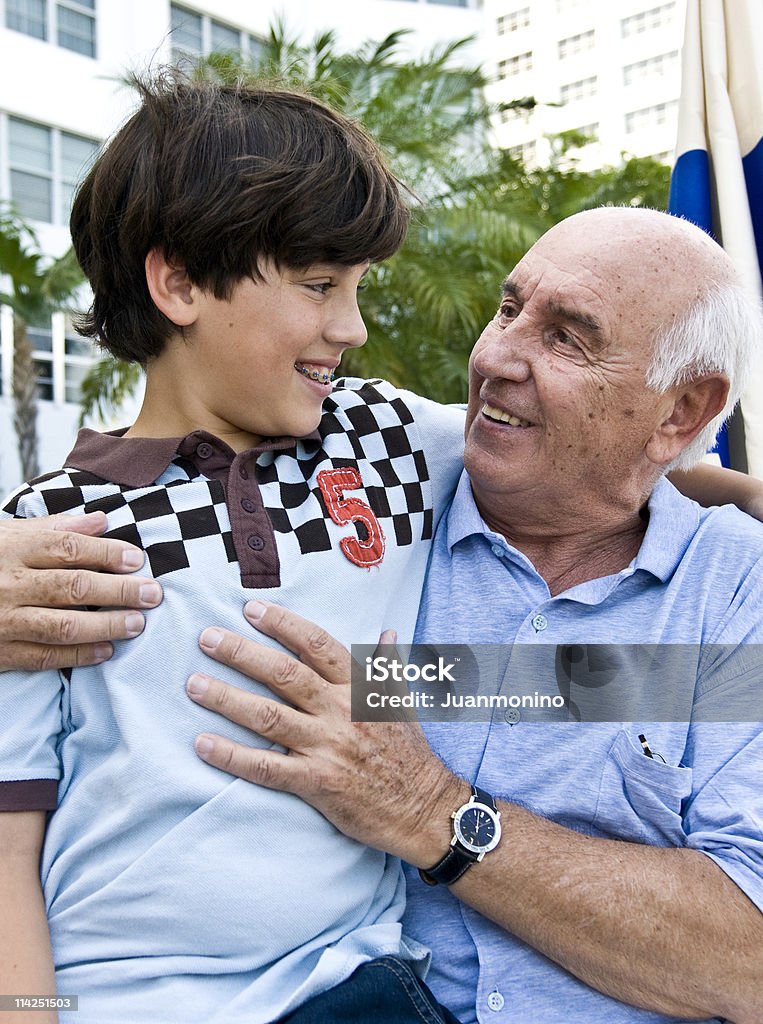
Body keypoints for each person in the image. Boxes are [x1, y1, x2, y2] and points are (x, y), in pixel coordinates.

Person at [135, 208, 763, 1023]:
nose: (494, 357)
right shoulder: (364, 496)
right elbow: (146, 478)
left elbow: (746, 958)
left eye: (567, 337)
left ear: (679, 413)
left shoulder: (734, 595)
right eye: (507, 310)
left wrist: (436, 814)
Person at [0, 74, 466, 1024]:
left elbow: (572, 459)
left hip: (356, 986)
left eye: (358, 286)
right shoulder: (48, 539)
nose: (352, 326)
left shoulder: (387, 435)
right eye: (319, 284)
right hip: (121, 998)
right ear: (177, 283)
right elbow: (9, 846)